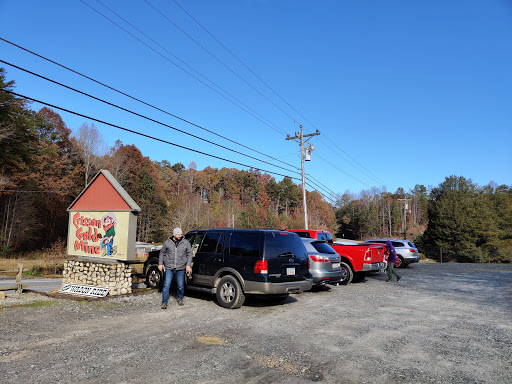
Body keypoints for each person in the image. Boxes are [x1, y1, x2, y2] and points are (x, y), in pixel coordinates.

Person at [159, 228, 192, 309]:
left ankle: (180, 298)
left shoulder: (185, 243)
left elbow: (190, 253)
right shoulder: (167, 242)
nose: (180, 236)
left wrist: (188, 265)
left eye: (181, 234)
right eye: (178, 234)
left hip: (181, 267)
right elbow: (162, 253)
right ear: (174, 235)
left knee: (180, 285)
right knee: (166, 285)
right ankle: (164, 302)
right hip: (169, 267)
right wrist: (160, 263)